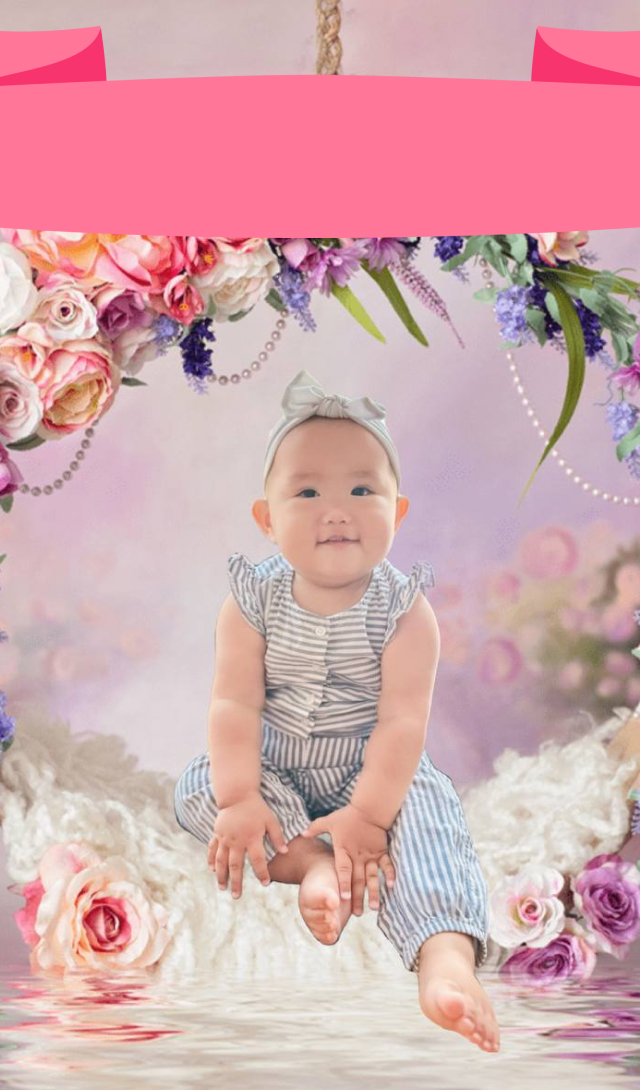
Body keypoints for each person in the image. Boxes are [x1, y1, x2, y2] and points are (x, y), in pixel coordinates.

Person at [175, 368, 499, 1053]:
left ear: (397, 513)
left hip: (372, 767)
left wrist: (371, 815)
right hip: (277, 763)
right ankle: (313, 863)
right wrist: (240, 797)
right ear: (267, 520)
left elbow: (402, 723)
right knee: (200, 788)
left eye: (361, 490)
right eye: (307, 492)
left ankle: (445, 958)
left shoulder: (406, 611)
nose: (336, 510)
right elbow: (234, 703)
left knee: (432, 814)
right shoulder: (252, 601)